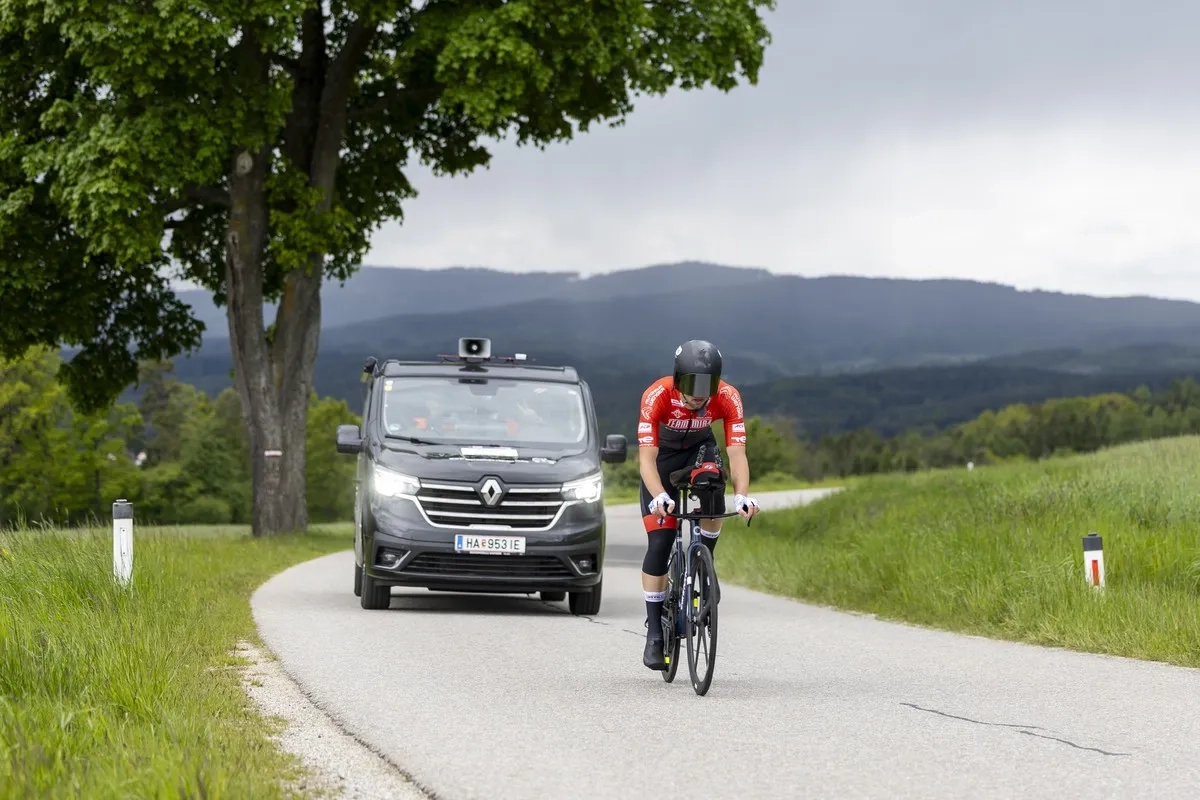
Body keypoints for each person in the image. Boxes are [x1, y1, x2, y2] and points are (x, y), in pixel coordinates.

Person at [636, 339, 760, 671]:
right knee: (660, 542)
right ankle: (654, 635)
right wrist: (659, 494)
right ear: (677, 379)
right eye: (691, 386)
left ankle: (706, 564)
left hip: (698, 451)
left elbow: (737, 453)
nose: (699, 394)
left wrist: (743, 495)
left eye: (708, 386)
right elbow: (646, 459)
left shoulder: (728, 397)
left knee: (711, 482)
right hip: (661, 460)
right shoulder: (657, 395)